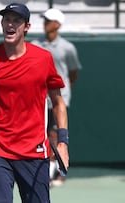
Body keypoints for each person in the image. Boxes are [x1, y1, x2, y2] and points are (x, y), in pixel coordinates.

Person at [0, 3, 69, 203]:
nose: (11, 24)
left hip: (34, 151)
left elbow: (58, 103)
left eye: (17, 20)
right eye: (7, 19)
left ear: (26, 27)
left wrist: (63, 142)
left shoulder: (43, 59)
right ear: (2, 23)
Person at [32, 8, 82, 187]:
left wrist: (63, 92)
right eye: (44, 20)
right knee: (39, 134)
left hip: (58, 98)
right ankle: (42, 171)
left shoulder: (67, 48)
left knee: (54, 134)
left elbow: (73, 72)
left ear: (58, 25)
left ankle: (52, 174)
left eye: (48, 21)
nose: (45, 24)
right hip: (38, 99)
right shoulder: (35, 45)